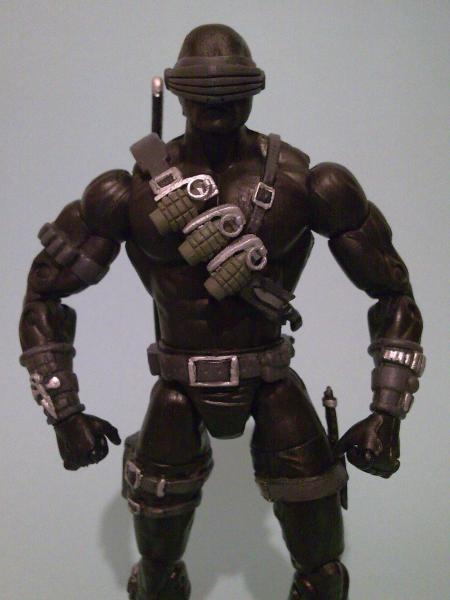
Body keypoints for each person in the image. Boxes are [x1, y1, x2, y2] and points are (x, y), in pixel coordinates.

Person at [19, 24, 425, 600]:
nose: (217, 106)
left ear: (255, 91)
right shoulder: (128, 193)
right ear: (176, 95)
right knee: (157, 572)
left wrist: (387, 413)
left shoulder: (309, 185)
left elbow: (394, 294)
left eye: (231, 92)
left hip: (272, 382)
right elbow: (45, 294)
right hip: (177, 389)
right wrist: (64, 412)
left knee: (322, 568)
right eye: (203, 94)